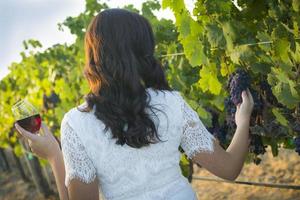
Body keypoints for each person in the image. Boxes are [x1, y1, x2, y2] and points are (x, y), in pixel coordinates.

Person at [15, 8, 254, 200]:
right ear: (142, 51)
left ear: (94, 55)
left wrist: (55, 157)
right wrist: (242, 122)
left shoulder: (76, 123)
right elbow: (230, 169)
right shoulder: (171, 103)